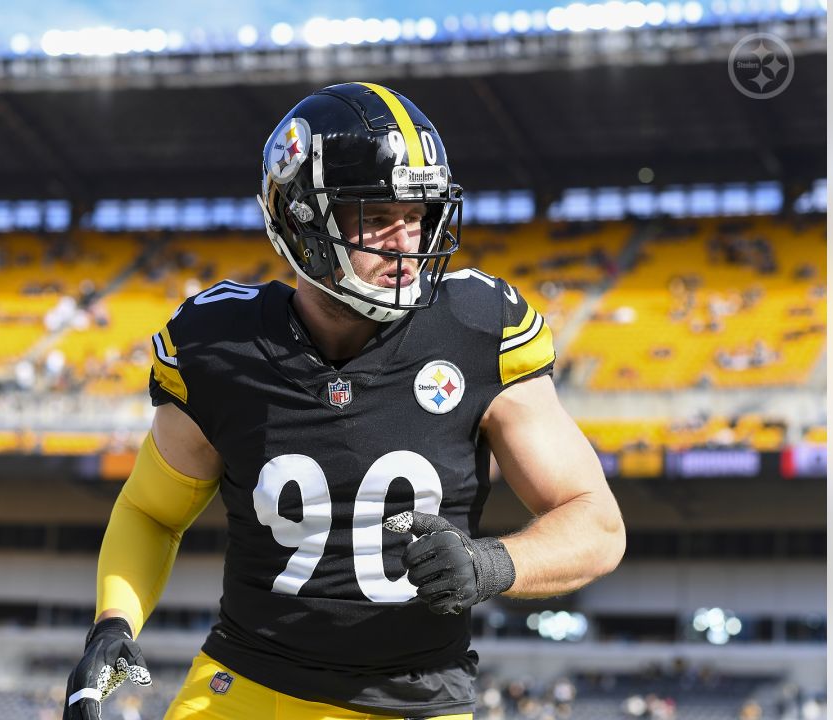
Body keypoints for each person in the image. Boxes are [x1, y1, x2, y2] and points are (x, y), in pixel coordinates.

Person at [65, 82, 625, 720]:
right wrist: (113, 622)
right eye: (376, 215)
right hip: (246, 683)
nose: (404, 244)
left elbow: (597, 523)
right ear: (301, 219)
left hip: (415, 699)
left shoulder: (476, 329)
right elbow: (151, 511)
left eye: (416, 216)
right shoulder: (220, 345)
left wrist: (492, 562)